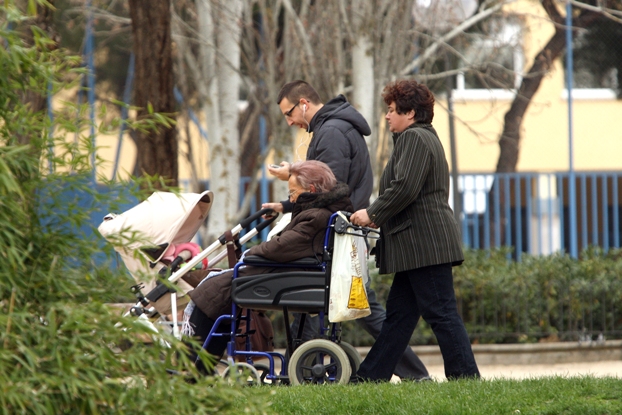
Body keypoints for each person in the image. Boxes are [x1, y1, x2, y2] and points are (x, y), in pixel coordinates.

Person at [264, 80, 431, 381]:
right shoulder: (335, 128)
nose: (289, 121)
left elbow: (325, 188)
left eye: (289, 113)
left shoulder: (331, 132)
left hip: (335, 237)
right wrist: (286, 206)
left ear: (303, 103)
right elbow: (321, 189)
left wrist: (291, 174)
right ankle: (300, 371)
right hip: (340, 233)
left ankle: (300, 373)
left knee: (333, 304)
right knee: (349, 305)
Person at [350, 79, 480, 381]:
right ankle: (369, 379)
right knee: (398, 319)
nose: (387, 116)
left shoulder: (414, 139)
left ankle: (467, 379)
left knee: (442, 313)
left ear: (410, 114)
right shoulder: (425, 138)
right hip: (418, 246)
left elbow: (405, 187)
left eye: (392, 110)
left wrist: (371, 213)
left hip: (424, 244)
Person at [182, 160, 353, 367]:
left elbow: (281, 247)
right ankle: (199, 364)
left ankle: (194, 366)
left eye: (292, 193)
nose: (291, 199)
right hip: (290, 271)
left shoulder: (315, 215)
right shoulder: (320, 211)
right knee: (216, 289)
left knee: (213, 292)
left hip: (287, 274)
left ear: (312, 189)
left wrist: (250, 253)